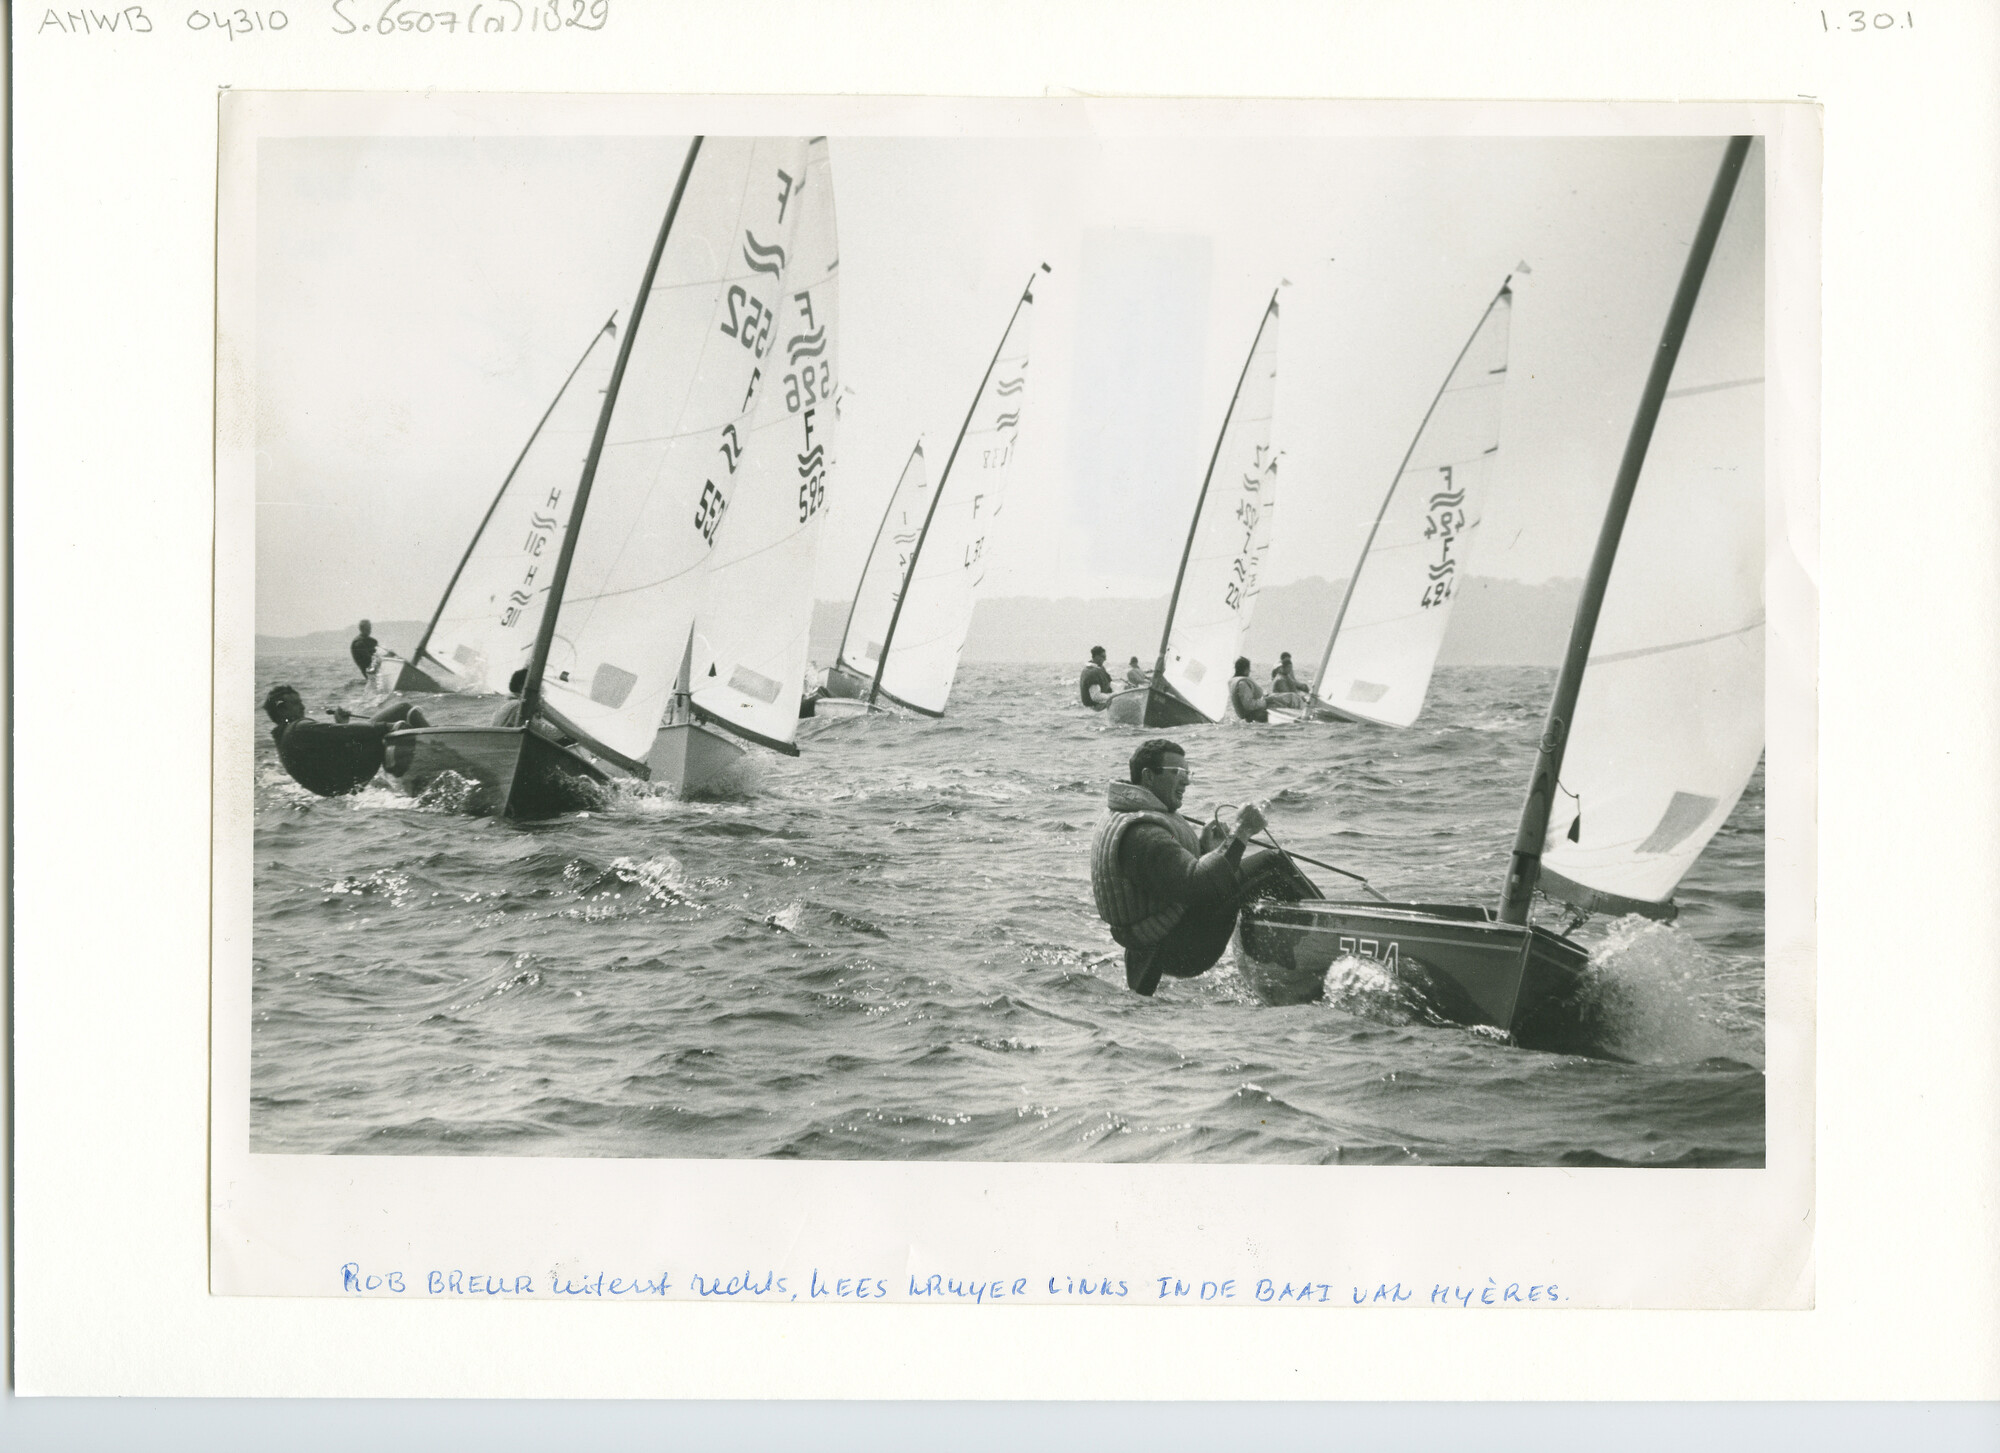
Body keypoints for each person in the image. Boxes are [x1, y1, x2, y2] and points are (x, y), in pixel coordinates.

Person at [1090, 738, 1311, 994]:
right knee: (1272, 864)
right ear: (1149, 777)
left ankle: (1290, 953)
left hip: (1153, 947)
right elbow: (1200, 886)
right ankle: (1335, 930)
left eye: (1188, 772)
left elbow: (1166, 879)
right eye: (1178, 773)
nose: (1187, 781)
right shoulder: (1143, 834)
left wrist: (1206, 849)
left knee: (1251, 876)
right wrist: (1241, 833)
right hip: (1181, 948)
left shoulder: (1126, 814)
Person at [263, 684, 428, 797]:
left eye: (301, 702)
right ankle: (440, 745)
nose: (302, 707)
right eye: (295, 703)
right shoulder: (298, 728)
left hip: (341, 785)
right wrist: (388, 726)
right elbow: (344, 733)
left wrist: (340, 724)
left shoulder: (284, 738)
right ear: (282, 710)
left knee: (376, 731)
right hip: (352, 775)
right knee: (403, 709)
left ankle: (411, 775)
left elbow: (328, 749)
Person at [1229, 656, 1308, 721]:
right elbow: (1248, 705)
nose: (1249, 672)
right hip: (1257, 711)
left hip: (1261, 705)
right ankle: (1305, 716)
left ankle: (1303, 712)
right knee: (1292, 697)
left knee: (1292, 696)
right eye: (1249, 669)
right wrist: (1265, 701)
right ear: (1246, 670)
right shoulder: (1242, 683)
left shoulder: (1236, 681)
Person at [1078, 645, 1114, 710]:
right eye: (1103, 657)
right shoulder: (1091, 673)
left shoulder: (1100, 668)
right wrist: (1113, 696)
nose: (1105, 659)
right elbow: (1095, 696)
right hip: (1096, 706)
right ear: (1097, 657)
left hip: (1103, 701)